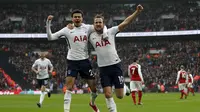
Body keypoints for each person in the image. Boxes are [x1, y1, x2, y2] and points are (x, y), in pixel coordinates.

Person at [46, 9, 108, 112]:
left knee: (94, 90)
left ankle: (92, 103)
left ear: (82, 18)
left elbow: (103, 26)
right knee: (68, 87)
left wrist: (105, 34)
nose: (77, 18)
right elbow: (50, 37)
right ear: (72, 18)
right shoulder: (67, 29)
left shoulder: (87, 28)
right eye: (75, 17)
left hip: (85, 61)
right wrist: (48, 23)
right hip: (72, 62)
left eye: (79, 16)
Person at [89, 4, 143, 112]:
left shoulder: (111, 32)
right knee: (108, 94)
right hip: (103, 68)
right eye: (96, 22)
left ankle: (124, 87)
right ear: (93, 24)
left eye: (100, 22)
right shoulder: (91, 36)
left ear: (103, 23)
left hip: (115, 66)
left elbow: (125, 23)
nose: (98, 24)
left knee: (119, 96)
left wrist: (137, 12)